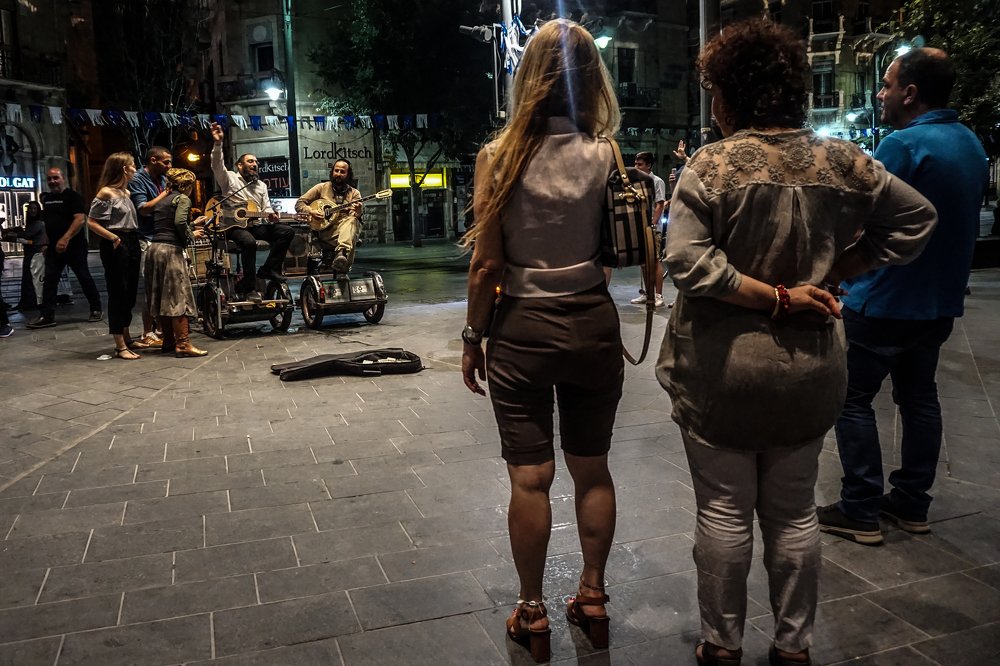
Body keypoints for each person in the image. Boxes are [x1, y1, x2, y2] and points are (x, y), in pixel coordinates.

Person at [658, 20, 936, 666]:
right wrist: (840, 268)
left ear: (731, 93)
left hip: (721, 370)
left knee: (725, 514)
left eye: (714, 91)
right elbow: (917, 220)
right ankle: (793, 647)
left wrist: (770, 297)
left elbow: (688, 264)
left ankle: (722, 646)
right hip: (811, 367)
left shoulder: (713, 165)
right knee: (795, 514)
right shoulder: (843, 162)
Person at [461, 19, 623, 662]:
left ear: (526, 77)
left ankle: (531, 611)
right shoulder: (607, 152)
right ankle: (593, 596)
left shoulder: (498, 157)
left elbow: (487, 266)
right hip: (592, 323)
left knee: (530, 477)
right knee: (592, 470)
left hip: (523, 329)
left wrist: (474, 336)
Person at [818, 48, 989, 545]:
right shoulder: (970, 143)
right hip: (938, 302)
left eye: (887, 84)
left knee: (851, 400)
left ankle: (860, 508)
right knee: (920, 399)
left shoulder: (903, 146)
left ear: (910, 93)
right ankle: (912, 502)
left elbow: (857, 221)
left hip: (884, 298)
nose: (880, 93)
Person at [209, 122, 293, 301]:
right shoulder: (230, 179)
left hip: (254, 224)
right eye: (250, 161)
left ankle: (269, 269)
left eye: (256, 162)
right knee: (249, 242)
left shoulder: (261, 185)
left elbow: (266, 208)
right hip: (232, 226)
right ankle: (249, 289)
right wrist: (218, 144)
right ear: (239, 166)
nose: (255, 164)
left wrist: (271, 216)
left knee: (286, 231)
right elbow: (217, 165)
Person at [26, 167, 103, 329]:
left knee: (84, 276)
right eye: (49, 179)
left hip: (75, 247)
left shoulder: (73, 197)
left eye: (55, 178)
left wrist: (65, 239)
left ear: (63, 179)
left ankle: (96, 308)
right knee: (49, 280)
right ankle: (47, 315)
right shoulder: (46, 199)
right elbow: (49, 223)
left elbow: (80, 219)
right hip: (54, 248)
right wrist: (47, 243)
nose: (52, 181)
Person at [145, 168, 208, 358]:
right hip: (170, 251)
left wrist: (192, 225)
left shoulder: (162, 199)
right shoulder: (182, 199)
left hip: (154, 249)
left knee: (164, 298)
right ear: (186, 185)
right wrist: (191, 235)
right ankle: (183, 344)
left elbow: (167, 222)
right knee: (178, 297)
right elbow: (180, 222)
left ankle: (168, 341)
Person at [86, 152, 143, 359]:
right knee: (118, 292)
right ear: (123, 168)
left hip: (132, 239)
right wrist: (112, 237)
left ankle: (126, 336)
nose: (135, 169)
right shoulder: (106, 193)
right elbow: (91, 222)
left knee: (130, 291)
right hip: (116, 241)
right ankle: (119, 345)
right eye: (132, 165)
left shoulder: (126, 193)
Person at [128, 145, 174, 349]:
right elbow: (144, 209)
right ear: (153, 160)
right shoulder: (138, 179)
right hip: (145, 237)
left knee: (164, 286)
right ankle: (147, 331)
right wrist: (167, 193)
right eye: (166, 162)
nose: (170, 166)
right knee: (150, 287)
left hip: (162, 236)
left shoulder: (163, 179)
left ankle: (161, 330)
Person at [295, 159, 363, 273]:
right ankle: (343, 268)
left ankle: (341, 253)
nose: (339, 174)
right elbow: (299, 203)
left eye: (342, 172)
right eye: (336, 171)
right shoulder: (321, 188)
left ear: (348, 174)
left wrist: (358, 212)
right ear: (332, 172)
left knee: (352, 221)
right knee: (351, 235)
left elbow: (355, 217)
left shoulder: (354, 194)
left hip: (345, 231)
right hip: (326, 232)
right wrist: (311, 211)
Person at [629, 151, 667, 308]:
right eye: (636, 163)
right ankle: (648, 293)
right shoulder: (636, 182)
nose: (636, 166)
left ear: (649, 165)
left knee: (655, 261)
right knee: (644, 262)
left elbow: (660, 204)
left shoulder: (657, 181)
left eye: (640, 164)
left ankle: (658, 295)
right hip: (639, 225)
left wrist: (653, 223)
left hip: (653, 227)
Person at [14, 201, 46, 311]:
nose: (32, 211)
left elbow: (27, 235)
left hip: (35, 253)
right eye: (31, 209)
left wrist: (14, 234)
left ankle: (31, 302)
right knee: (29, 278)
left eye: (35, 208)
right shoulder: (34, 223)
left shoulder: (38, 223)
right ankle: (30, 301)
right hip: (31, 253)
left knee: (31, 278)